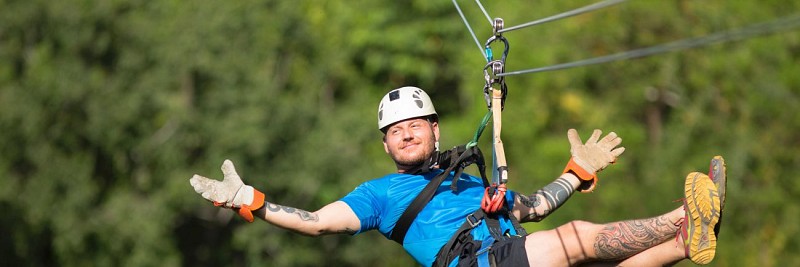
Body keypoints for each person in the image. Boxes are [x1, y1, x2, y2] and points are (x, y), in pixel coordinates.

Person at [189, 86, 726, 266]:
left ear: (434, 130)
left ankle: (692, 237)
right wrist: (251, 202)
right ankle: (686, 213)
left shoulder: (469, 182)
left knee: (617, 263)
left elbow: (531, 207)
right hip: (480, 264)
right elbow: (316, 223)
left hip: (509, 254)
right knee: (577, 240)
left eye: (414, 125)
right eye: (394, 131)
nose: (405, 135)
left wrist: (575, 173)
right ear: (384, 143)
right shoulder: (379, 195)